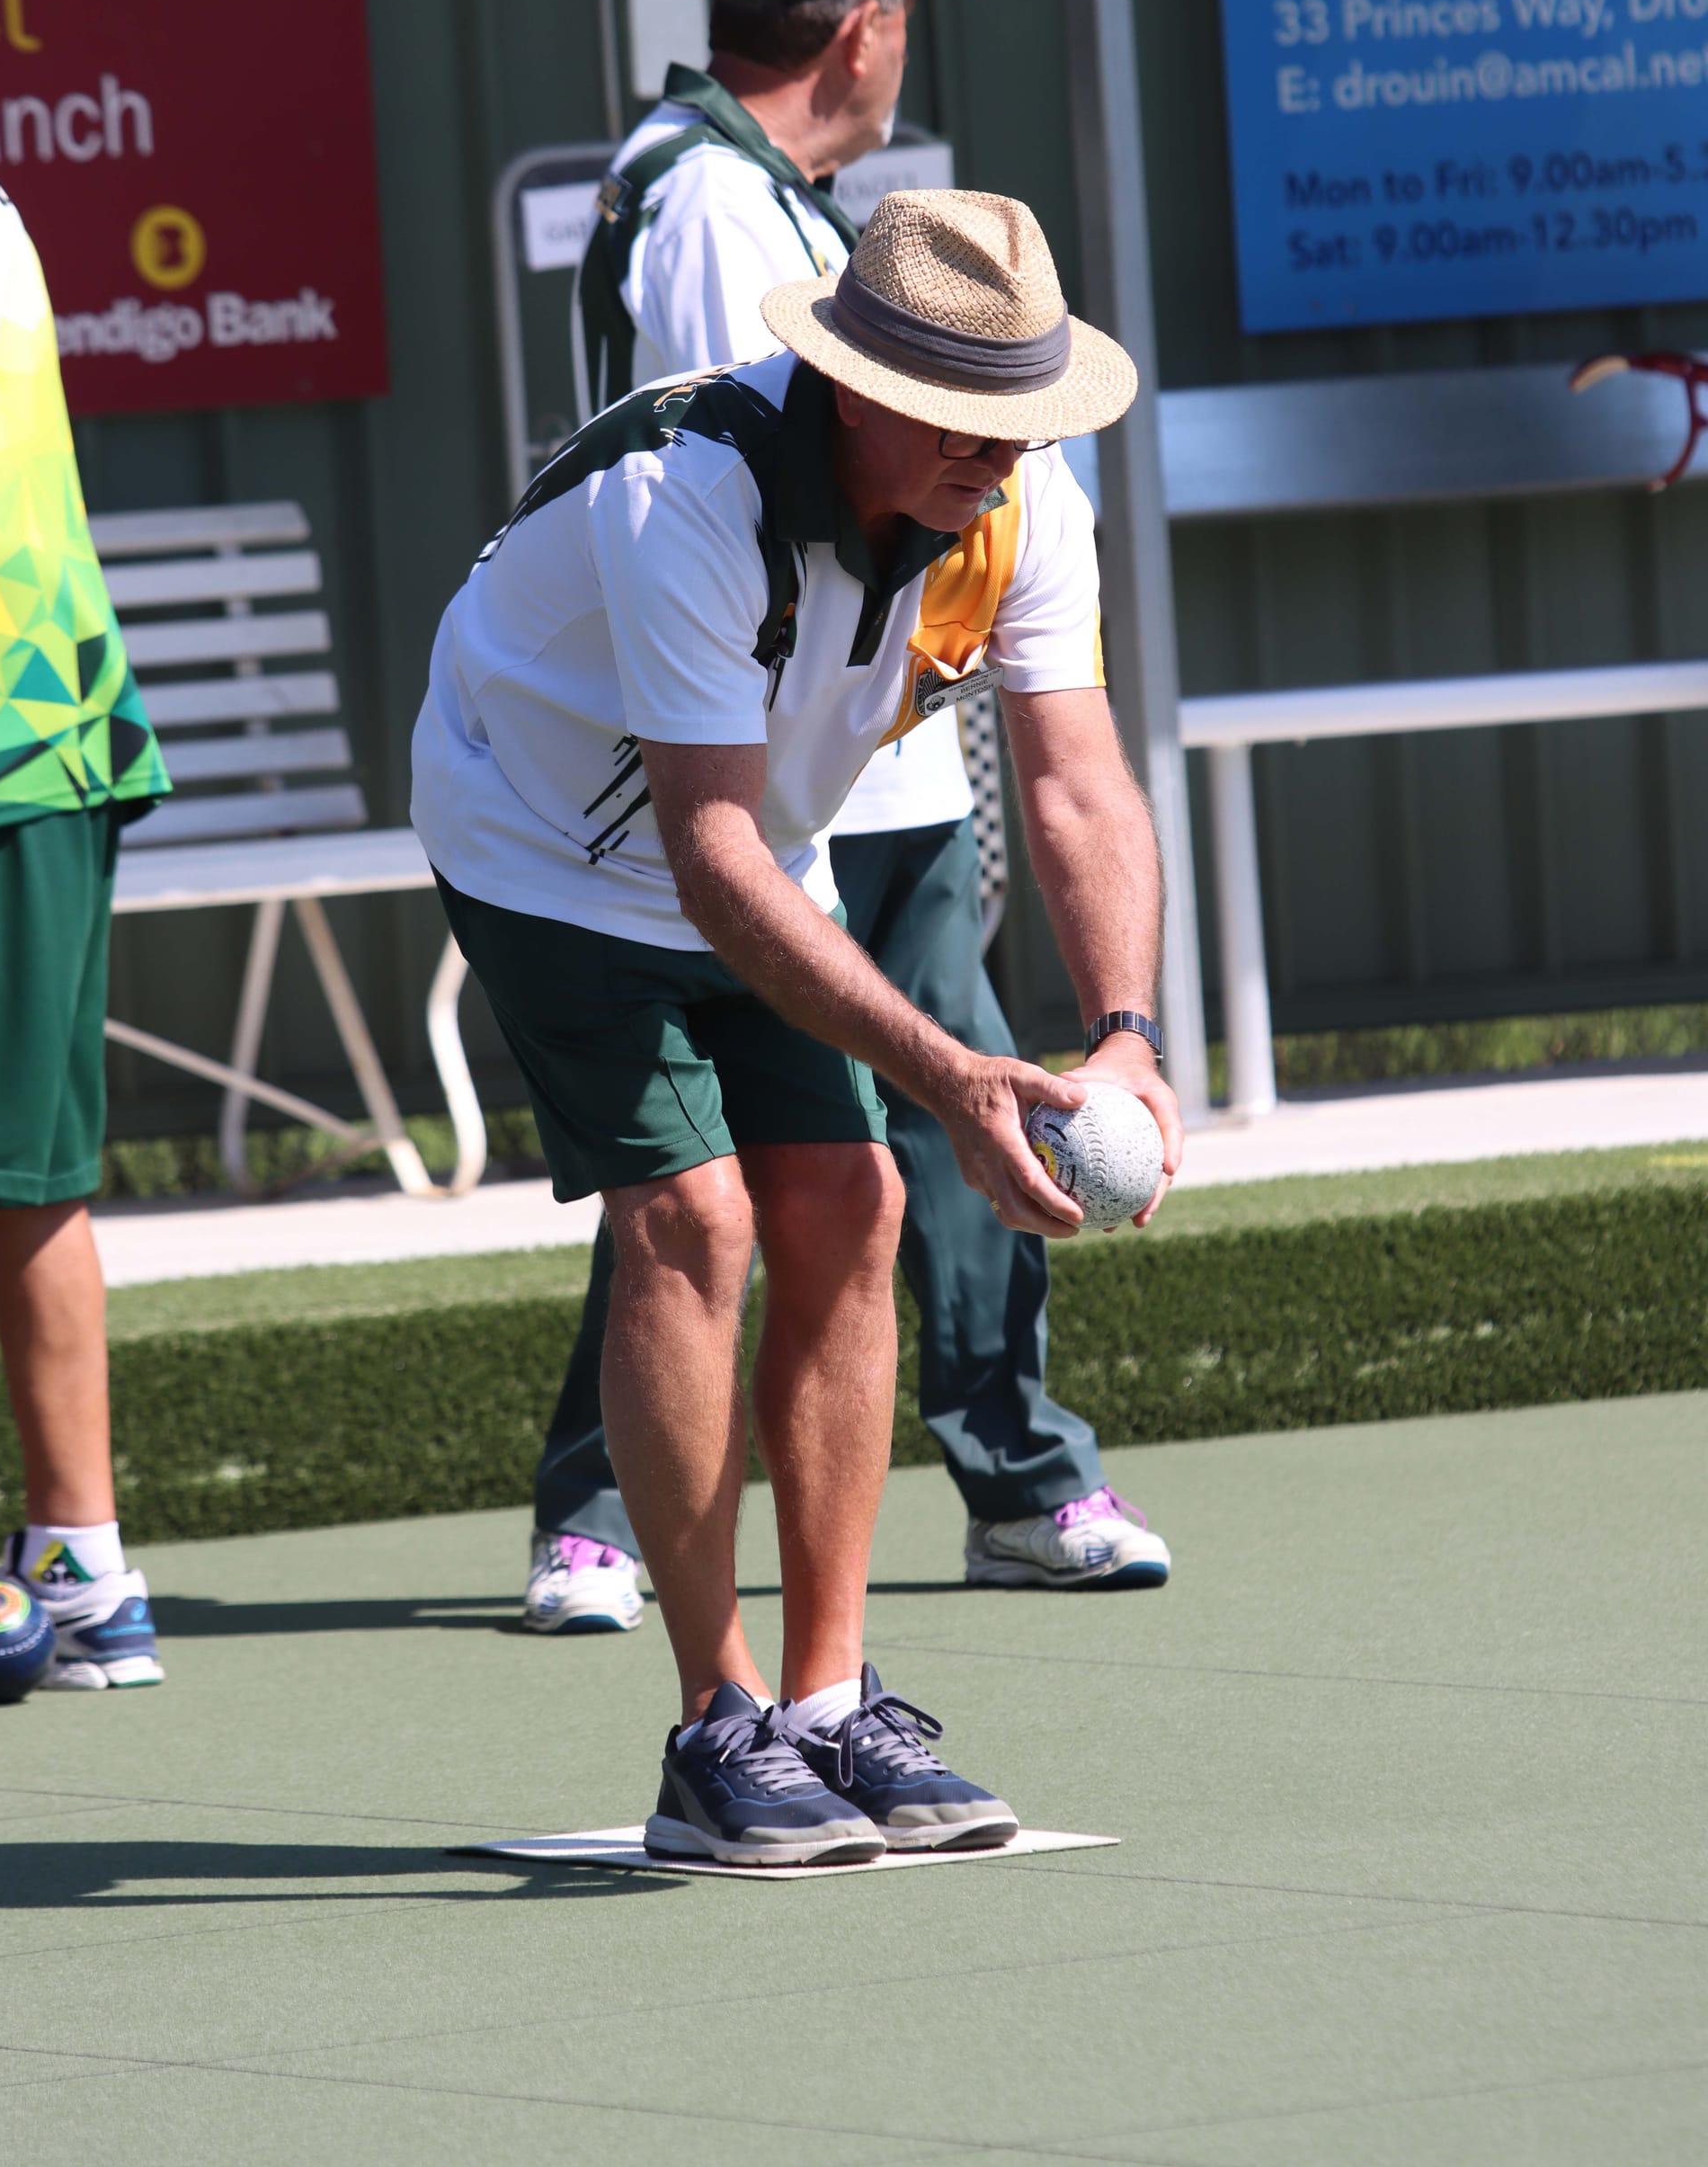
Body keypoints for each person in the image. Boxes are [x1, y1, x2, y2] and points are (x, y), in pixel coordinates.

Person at [413, 185, 1182, 1866]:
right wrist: (959, 1068)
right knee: (694, 1220)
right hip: (541, 839)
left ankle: (830, 1703)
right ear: (862, 391)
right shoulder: (689, 496)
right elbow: (700, 854)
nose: (1005, 449)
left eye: (1023, 414)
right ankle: (718, 1726)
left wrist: (1123, 1028)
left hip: (753, 845)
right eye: (973, 416)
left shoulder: (1020, 506)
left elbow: (1073, 777)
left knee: (860, 1198)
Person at [525, 0, 1170, 1641]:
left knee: (802, 1172)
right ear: (865, 23)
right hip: (774, 768)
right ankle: (1006, 1476)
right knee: (857, 1142)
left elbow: (1076, 764)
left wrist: (1128, 1025)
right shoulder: (729, 221)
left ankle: (624, 1519)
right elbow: (763, 519)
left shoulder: (759, 201)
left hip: (816, 755)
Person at [0, 106, 170, 1718]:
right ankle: (83, 1573)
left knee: (13, 1185)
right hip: (26, 732)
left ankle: (84, 1567)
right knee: (27, 1187)